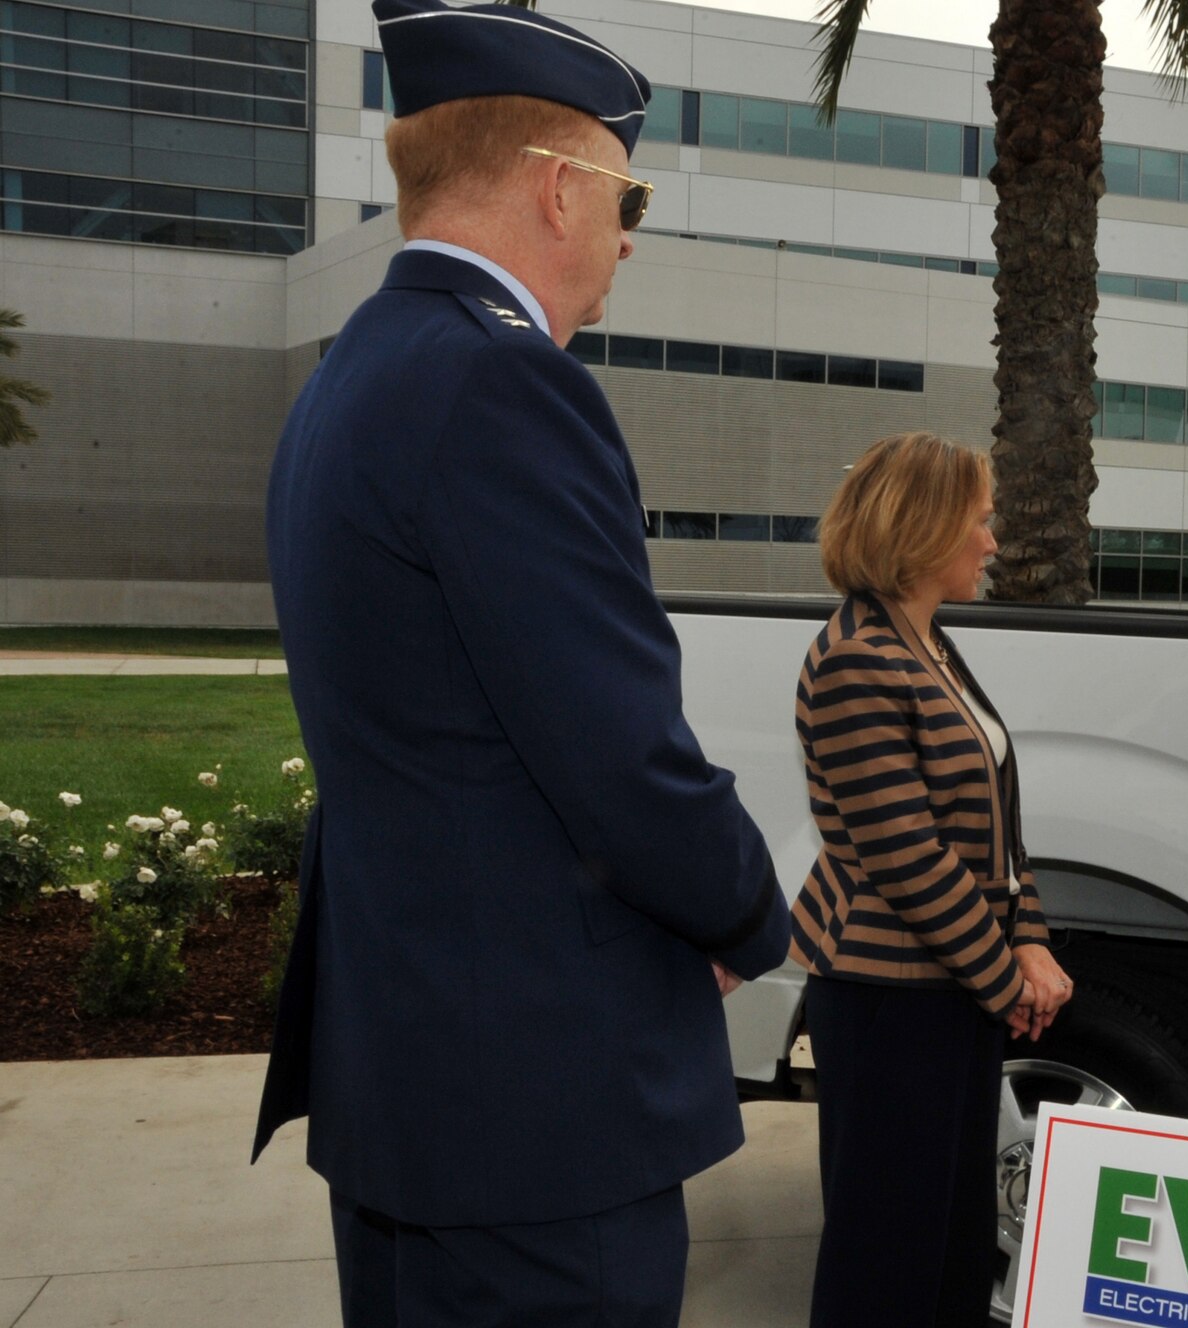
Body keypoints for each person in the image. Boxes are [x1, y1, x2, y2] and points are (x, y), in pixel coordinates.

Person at [250, 1, 792, 1322]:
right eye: (631, 196)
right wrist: (742, 916)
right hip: (537, 1107)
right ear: (561, 190)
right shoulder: (506, 387)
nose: (627, 238)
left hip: (417, 1080)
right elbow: (618, 754)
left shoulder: (348, 381)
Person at [790, 432, 1073, 1328]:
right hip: (888, 1003)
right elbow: (906, 853)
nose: (992, 541)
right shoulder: (855, 659)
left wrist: (1029, 938)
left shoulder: (926, 643)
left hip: (947, 990)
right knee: (886, 1260)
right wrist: (1006, 982)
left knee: (951, 1246)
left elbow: (996, 821)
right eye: (979, 521)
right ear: (920, 528)